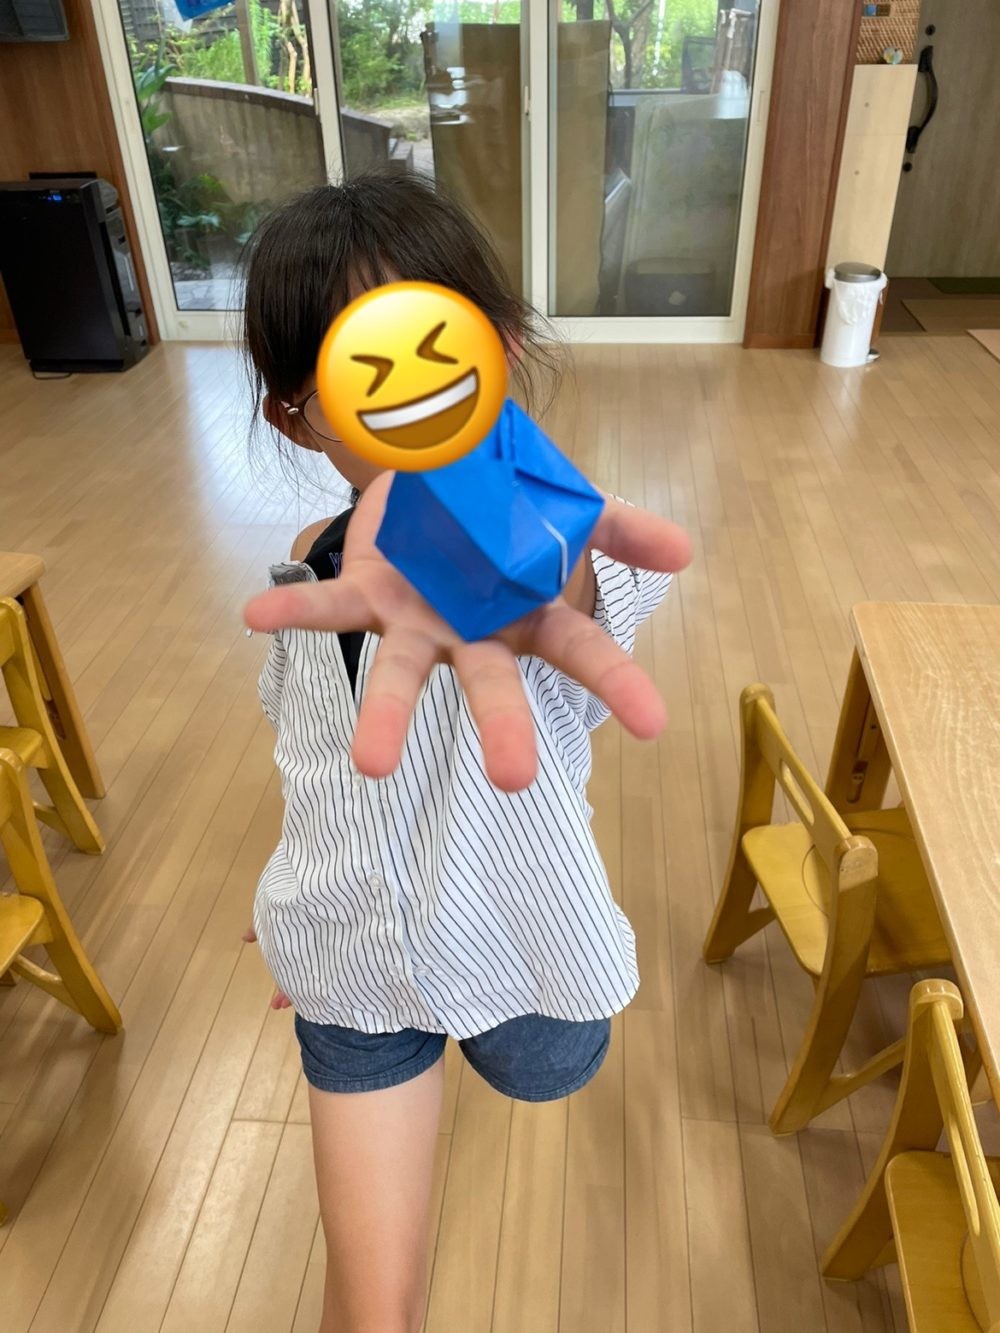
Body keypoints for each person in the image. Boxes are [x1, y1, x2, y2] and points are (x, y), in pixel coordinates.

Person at [240, 173, 692, 1333]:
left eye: (434, 351)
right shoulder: (310, 557)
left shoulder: (551, 534)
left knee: (551, 1065)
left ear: (498, 351)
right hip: (347, 966)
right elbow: (309, 748)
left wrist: (500, 555)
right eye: (359, 373)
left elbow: (569, 590)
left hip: (519, 949)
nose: (403, 398)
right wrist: (302, 892)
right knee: (370, 1309)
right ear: (297, 416)